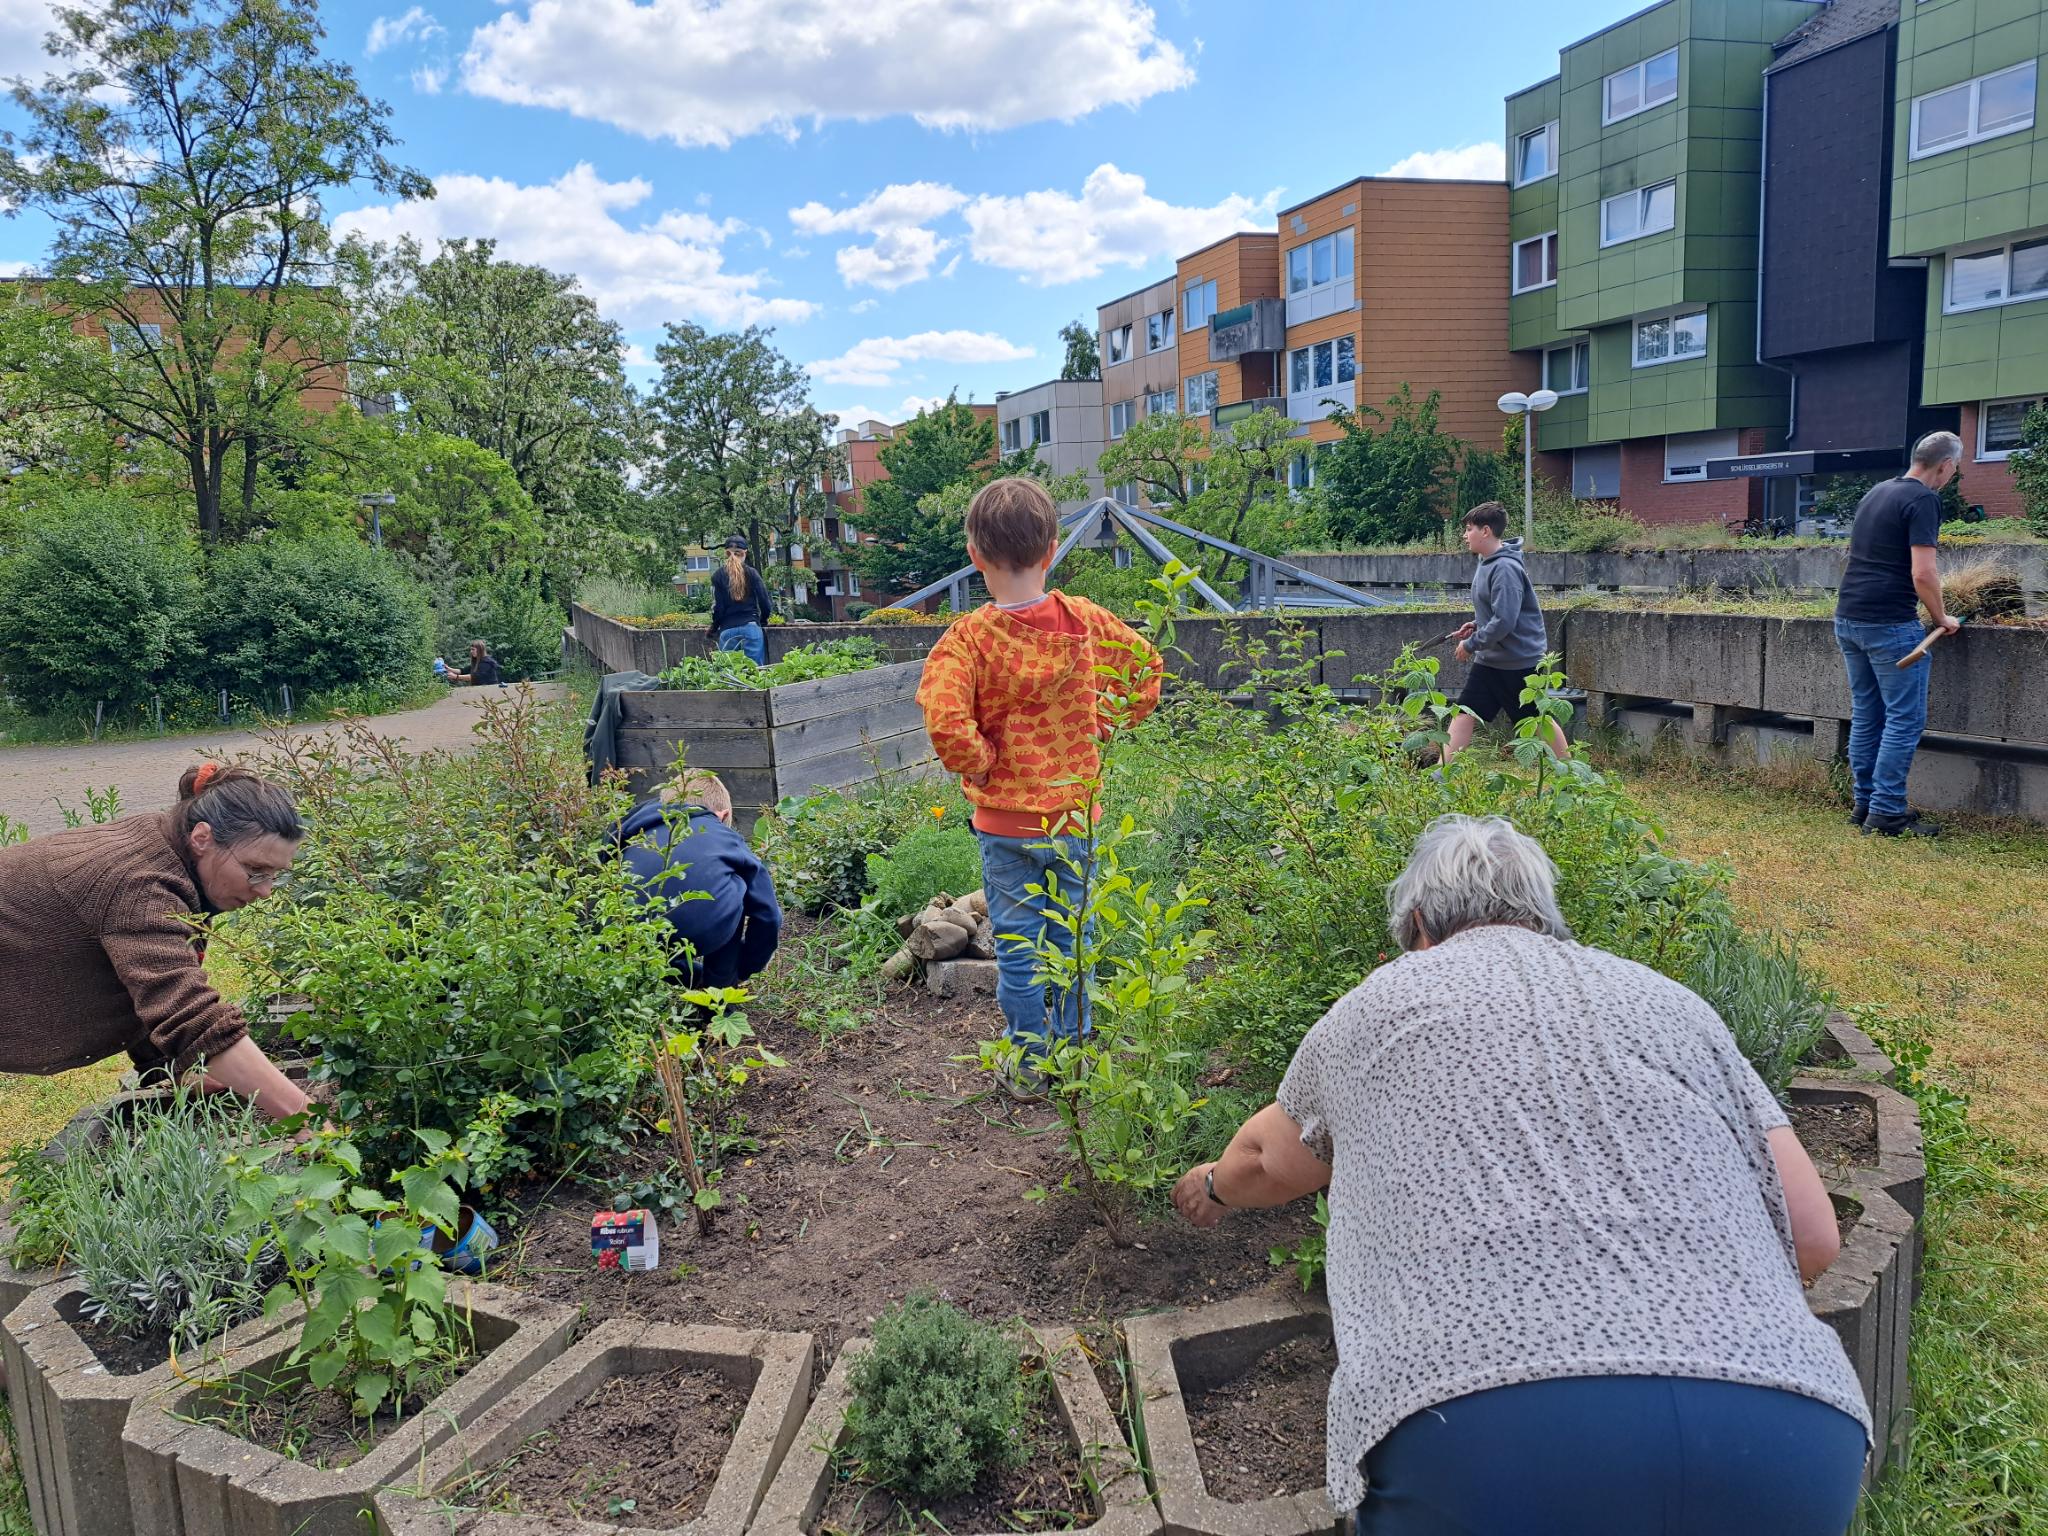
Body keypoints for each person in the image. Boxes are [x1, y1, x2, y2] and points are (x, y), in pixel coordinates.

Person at [1171, 815, 1870, 1536]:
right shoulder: (1674, 1006)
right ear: (1545, 915)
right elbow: (1813, 1237)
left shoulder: (1382, 1000)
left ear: (1417, 923)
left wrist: (1212, 1186)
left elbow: (1267, 1161)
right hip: (1786, 1423)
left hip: (1482, 1427)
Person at [915, 477, 1163, 1099]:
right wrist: (1102, 723)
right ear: (1051, 549)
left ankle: (1030, 1065)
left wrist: (980, 762)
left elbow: (945, 720)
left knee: (1019, 948)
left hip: (1004, 826)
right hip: (1074, 817)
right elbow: (1146, 671)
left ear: (974, 555)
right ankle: (1076, 1055)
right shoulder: (1087, 622)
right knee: (1073, 936)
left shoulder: (966, 639)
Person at [0, 765, 315, 1120]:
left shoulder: (169, 846)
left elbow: (147, 978)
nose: (264, 890)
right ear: (202, 837)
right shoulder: (139, 881)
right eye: (255, 870)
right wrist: (306, 1120)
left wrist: (169, 1068)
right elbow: (189, 1012)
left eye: (274, 875)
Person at [1835, 430, 1964, 837]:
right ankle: (1887, 812)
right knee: (1903, 720)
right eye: (1954, 468)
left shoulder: (1878, 492)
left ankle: (1865, 805)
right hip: (1889, 624)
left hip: (1849, 617)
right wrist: (1942, 617)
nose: (1951, 475)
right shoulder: (1924, 499)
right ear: (1944, 466)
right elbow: (1923, 572)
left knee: (1868, 715)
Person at [615, 770, 782, 988]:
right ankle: (718, 995)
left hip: (630, 937)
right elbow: (768, 916)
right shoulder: (725, 837)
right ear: (721, 816)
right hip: (702, 931)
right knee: (734, 893)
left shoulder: (633, 826)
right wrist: (747, 967)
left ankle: (683, 978)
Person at [1443, 502, 1568, 764]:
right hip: (1492, 660)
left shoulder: (1505, 569)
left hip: (1517, 662)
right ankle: (1442, 774)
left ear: (1485, 531)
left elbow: (1505, 621)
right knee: (1464, 712)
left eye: (1469, 529)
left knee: (1536, 720)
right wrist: (1477, 624)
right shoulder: (1487, 563)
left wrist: (1471, 643)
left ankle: (1570, 773)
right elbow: (1496, 612)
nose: (1465, 536)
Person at [709, 536, 773, 666]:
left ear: (726, 553)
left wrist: (714, 627)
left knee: (729, 677)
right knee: (755, 675)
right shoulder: (752, 573)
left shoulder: (717, 576)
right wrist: (763, 620)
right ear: (745, 553)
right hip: (751, 628)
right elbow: (765, 602)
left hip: (727, 631)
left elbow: (718, 608)